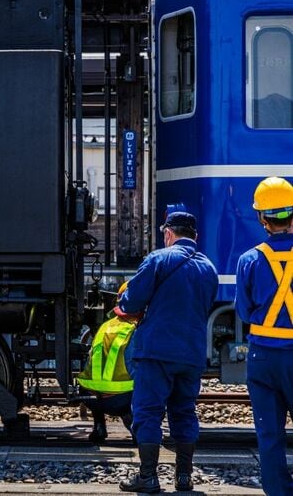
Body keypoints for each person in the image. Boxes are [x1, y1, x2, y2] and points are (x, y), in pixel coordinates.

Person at [115, 211, 219, 494]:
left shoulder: (158, 259)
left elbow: (132, 300)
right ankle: (184, 478)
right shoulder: (208, 267)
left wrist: (124, 302)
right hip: (192, 354)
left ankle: (148, 476)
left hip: (156, 352)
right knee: (184, 411)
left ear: (169, 234)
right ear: (195, 237)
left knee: (147, 412)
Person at [235, 176, 293, 496]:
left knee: (269, 435)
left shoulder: (249, 260)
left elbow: (244, 312)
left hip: (262, 357)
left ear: (262, 218)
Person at [77, 282, 136, 444]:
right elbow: (138, 370)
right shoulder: (135, 329)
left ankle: (99, 427)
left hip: (90, 396)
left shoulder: (105, 326)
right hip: (121, 399)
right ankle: (133, 423)